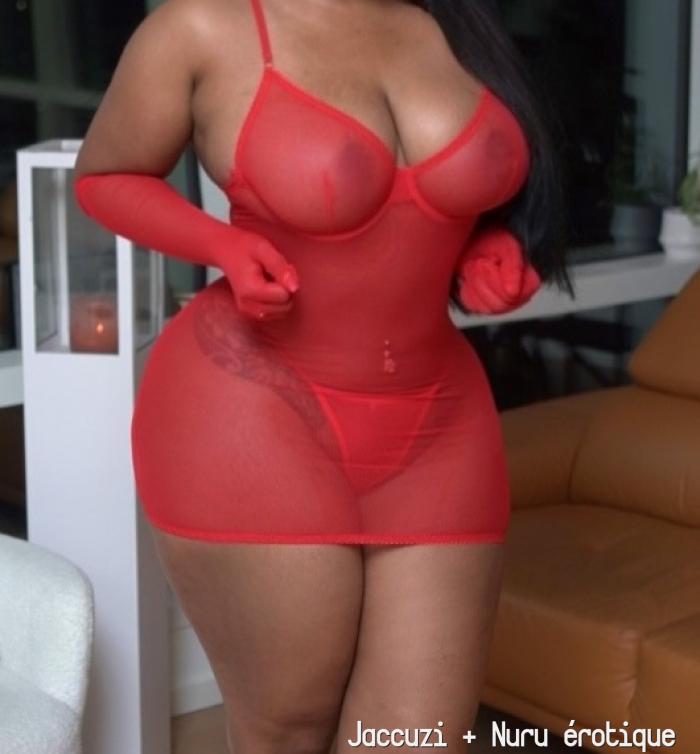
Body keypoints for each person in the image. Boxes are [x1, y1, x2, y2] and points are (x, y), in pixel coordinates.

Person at [74, 0, 574, 751]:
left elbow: (441, 204)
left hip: (439, 418)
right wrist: (221, 245)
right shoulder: (202, 26)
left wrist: (488, 247)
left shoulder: (451, 19)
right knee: (287, 729)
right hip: (254, 405)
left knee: (418, 738)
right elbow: (106, 174)